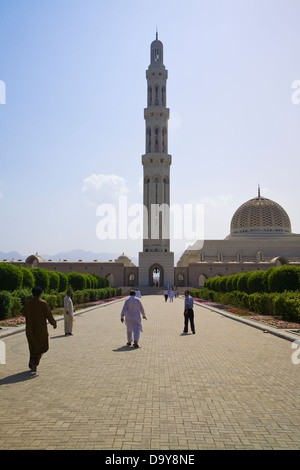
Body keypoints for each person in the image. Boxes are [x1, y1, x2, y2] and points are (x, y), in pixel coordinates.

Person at [21, 286, 57, 372]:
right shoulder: (43, 303)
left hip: (30, 329)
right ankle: (35, 362)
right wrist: (53, 323)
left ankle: (32, 362)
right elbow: (49, 315)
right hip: (41, 330)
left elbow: (23, 313)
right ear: (40, 294)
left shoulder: (28, 303)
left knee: (32, 346)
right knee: (43, 347)